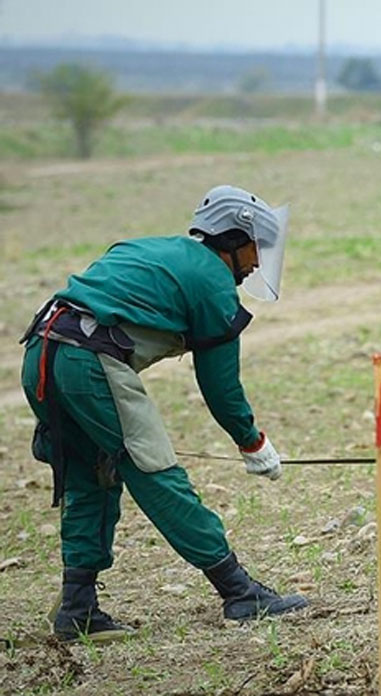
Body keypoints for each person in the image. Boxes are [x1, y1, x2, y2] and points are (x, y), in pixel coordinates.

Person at [19, 185, 309, 643]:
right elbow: (221, 386)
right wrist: (252, 441)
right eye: (258, 247)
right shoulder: (213, 282)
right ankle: (238, 592)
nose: (258, 261)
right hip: (88, 359)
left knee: (90, 476)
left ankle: (77, 609)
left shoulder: (159, 249)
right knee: (154, 468)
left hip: (41, 352)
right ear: (234, 239)